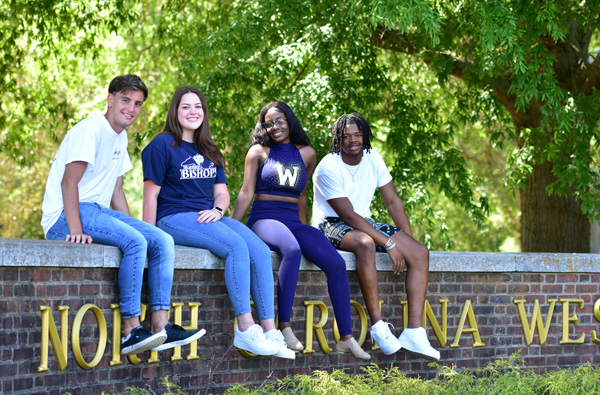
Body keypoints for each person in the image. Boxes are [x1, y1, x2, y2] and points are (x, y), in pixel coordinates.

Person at [41, 74, 205, 356]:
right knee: (135, 243)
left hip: (98, 210)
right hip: (65, 216)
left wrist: (136, 226)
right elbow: (69, 183)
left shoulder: (121, 136)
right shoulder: (90, 130)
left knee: (162, 240)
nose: (131, 108)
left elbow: (117, 190)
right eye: (125, 100)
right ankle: (131, 330)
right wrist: (76, 228)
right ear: (110, 99)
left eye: (138, 103)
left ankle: (160, 326)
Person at [141, 86, 294, 360]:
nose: (192, 112)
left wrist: (218, 209)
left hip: (206, 216)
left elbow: (222, 192)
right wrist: (150, 237)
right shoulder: (162, 144)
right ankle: (246, 328)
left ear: (204, 112)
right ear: (175, 111)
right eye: (185, 106)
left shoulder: (209, 149)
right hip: (173, 218)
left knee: (258, 248)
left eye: (197, 106)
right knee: (236, 246)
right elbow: (150, 195)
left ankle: (270, 331)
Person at [232, 102, 371, 360]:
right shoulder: (258, 152)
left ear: (290, 120)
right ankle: (283, 326)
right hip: (264, 218)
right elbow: (246, 192)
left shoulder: (307, 153)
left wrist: (304, 227)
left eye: (280, 120)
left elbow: (303, 194)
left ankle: (346, 337)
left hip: (293, 221)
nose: (275, 126)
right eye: (269, 122)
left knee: (335, 262)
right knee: (292, 250)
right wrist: (231, 226)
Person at [312, 112, 441, 361]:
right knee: (366, 243)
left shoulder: (373, 158)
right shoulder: (328, 167)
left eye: (358, 135)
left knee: (420, 252)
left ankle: (414, 331)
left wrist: (407, 242)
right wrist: (389, 243)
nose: (353, 140)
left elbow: (392, 202)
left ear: (365, 136)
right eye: (346, 136)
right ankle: (378, 327)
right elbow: (348, 216)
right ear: (338, 138)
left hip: (364, 222)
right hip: (330, 224)